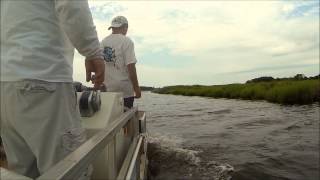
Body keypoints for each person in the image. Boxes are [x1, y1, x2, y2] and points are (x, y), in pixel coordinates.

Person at [0, 0, 105, 178]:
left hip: (6, 84)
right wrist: (93, 52)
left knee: (24, 172)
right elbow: (72, 5)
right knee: (70, 169)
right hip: (44, 79)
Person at [101, 16, 141, 109]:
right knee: (125, 117)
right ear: (125, 27)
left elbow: (100, 64)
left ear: (112, 27)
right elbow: (131, 67)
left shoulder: (103, 42)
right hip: (125, 90)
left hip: (107, 89)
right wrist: (136, 88)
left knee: (110, 118)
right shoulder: (127, 41)